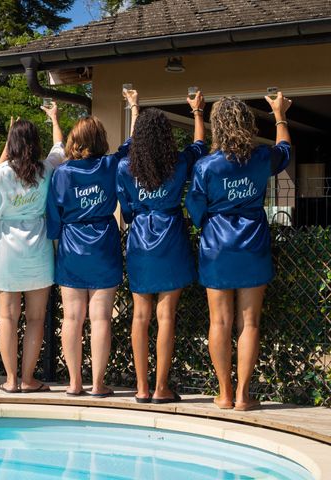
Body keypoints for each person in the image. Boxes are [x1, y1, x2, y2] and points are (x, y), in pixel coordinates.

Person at [186, 93, 291, 411]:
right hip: (253, 244)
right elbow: (285, 149)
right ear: (247, 124)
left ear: (217, 127)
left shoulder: (205, 166)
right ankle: (244, 395)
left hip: (217, 246)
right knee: (250, 322)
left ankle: (225, 393)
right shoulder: (260, 157)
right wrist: (279, 114)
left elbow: (195, 209)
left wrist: (210, 221)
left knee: (219, 322)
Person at [45, 90, 139, 397]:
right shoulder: (111, 165)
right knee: (100, 318)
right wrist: (134, 110)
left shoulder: (63, 172)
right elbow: (130, 145)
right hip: (104, 244)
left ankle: (74, 383)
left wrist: (56, 242)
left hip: (73, 245)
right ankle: (98, 384)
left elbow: (53, 214)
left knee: (71, 317)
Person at [117, 90, 208, 404]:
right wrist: (197, 112)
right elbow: (199, 146)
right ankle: (160, 389)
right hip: (171, 236)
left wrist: (134, 109)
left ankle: (141, 389)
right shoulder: (179, 162)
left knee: (140, 317)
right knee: (166, 315)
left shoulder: (125, 168)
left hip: (140, 239)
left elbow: (127, 211)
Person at [0, 105, 64, 394]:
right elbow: (60, 148)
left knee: (8, 318)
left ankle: (10, 380)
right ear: (35, 143)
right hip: (37, 249)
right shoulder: (46, 170)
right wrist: (55, 119)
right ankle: (28, 378)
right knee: (36, 318)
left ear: (10, 144)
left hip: (5, 251)